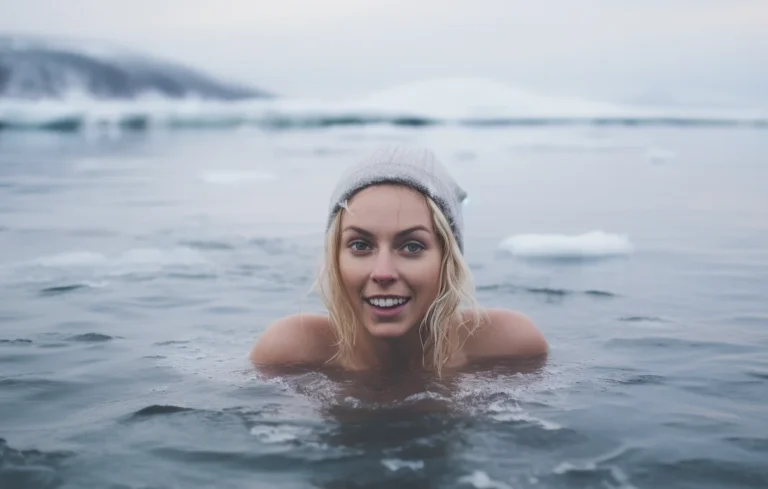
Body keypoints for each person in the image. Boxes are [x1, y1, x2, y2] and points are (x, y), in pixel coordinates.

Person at [250, 144, 547, 377]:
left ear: (448, 259)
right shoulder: (290, 353)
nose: (383, 273)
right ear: (335, 257)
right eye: (360, 245)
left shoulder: (510, 347)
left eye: (412, 247)